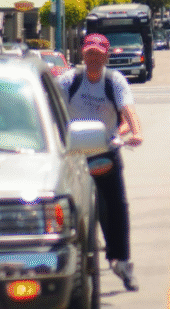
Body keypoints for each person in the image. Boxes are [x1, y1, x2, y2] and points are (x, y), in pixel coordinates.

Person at [58, 33, 143, 291]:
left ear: (107, 57)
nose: (94, 59)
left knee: (117, 205)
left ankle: (122, 261)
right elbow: (51, 111)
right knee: (62, 206)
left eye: (98, 55)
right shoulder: (69, 81)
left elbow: (127, 109)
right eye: (89, 54)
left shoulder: (113, 81)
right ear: (82, 56)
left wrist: (134, 131)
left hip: (105, 150)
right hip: (74, 155)